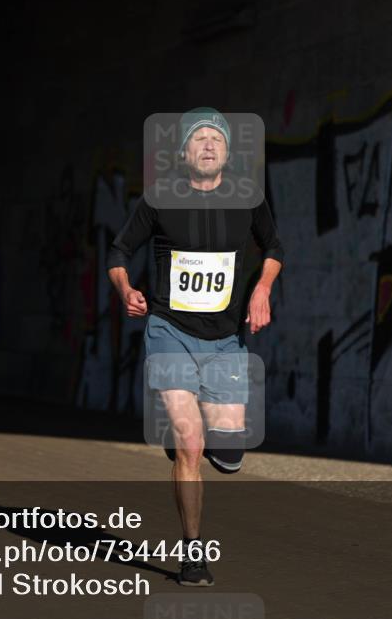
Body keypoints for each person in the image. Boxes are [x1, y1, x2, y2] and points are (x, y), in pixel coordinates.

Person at [107, 108, 284, 586]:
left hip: (225, 340)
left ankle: (191, 435)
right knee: (190, 442)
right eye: (199, 138)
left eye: (216, 139)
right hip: (168, 331)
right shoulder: (160, 199)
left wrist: (263, 288)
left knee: (228, 453)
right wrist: (127, 291)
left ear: (228, 152)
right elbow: (119, 252)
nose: (208, 144)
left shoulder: (248, 198)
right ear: (184, 152)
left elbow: (274, 248)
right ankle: (193, 555)